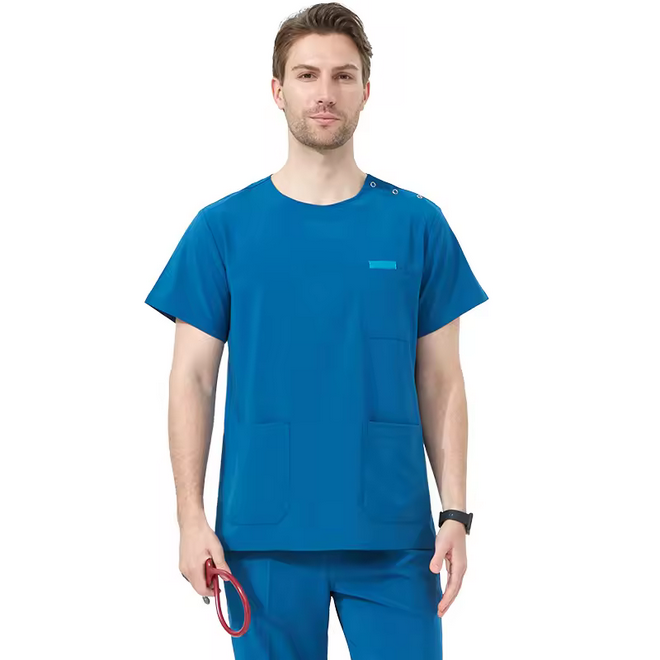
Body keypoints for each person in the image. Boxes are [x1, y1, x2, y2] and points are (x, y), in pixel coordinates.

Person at [144, 3, 488, 658]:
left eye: (342, 76)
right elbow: (192, 378)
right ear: (278, 90)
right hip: (261, 537)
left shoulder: (418, 225)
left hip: (394, 538)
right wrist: (190, 519)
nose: (324, 93)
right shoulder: (222, 229)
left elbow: (442, 379)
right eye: (307, 75)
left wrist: (455, 512)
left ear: (366, 91)